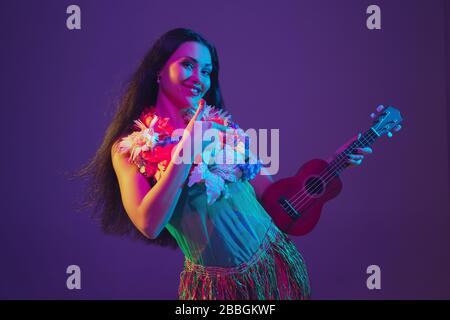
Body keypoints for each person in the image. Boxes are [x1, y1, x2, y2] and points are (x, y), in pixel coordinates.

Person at [78, 28, 372, 300]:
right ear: (158, 70)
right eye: (188, 65)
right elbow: (149, 223)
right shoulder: (130, 148)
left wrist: (334, 166)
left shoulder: (224, 130)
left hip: (275, 270)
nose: (199, 77)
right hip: (215, 290)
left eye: (206, 71)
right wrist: (188, 148)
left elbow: (276, 200)